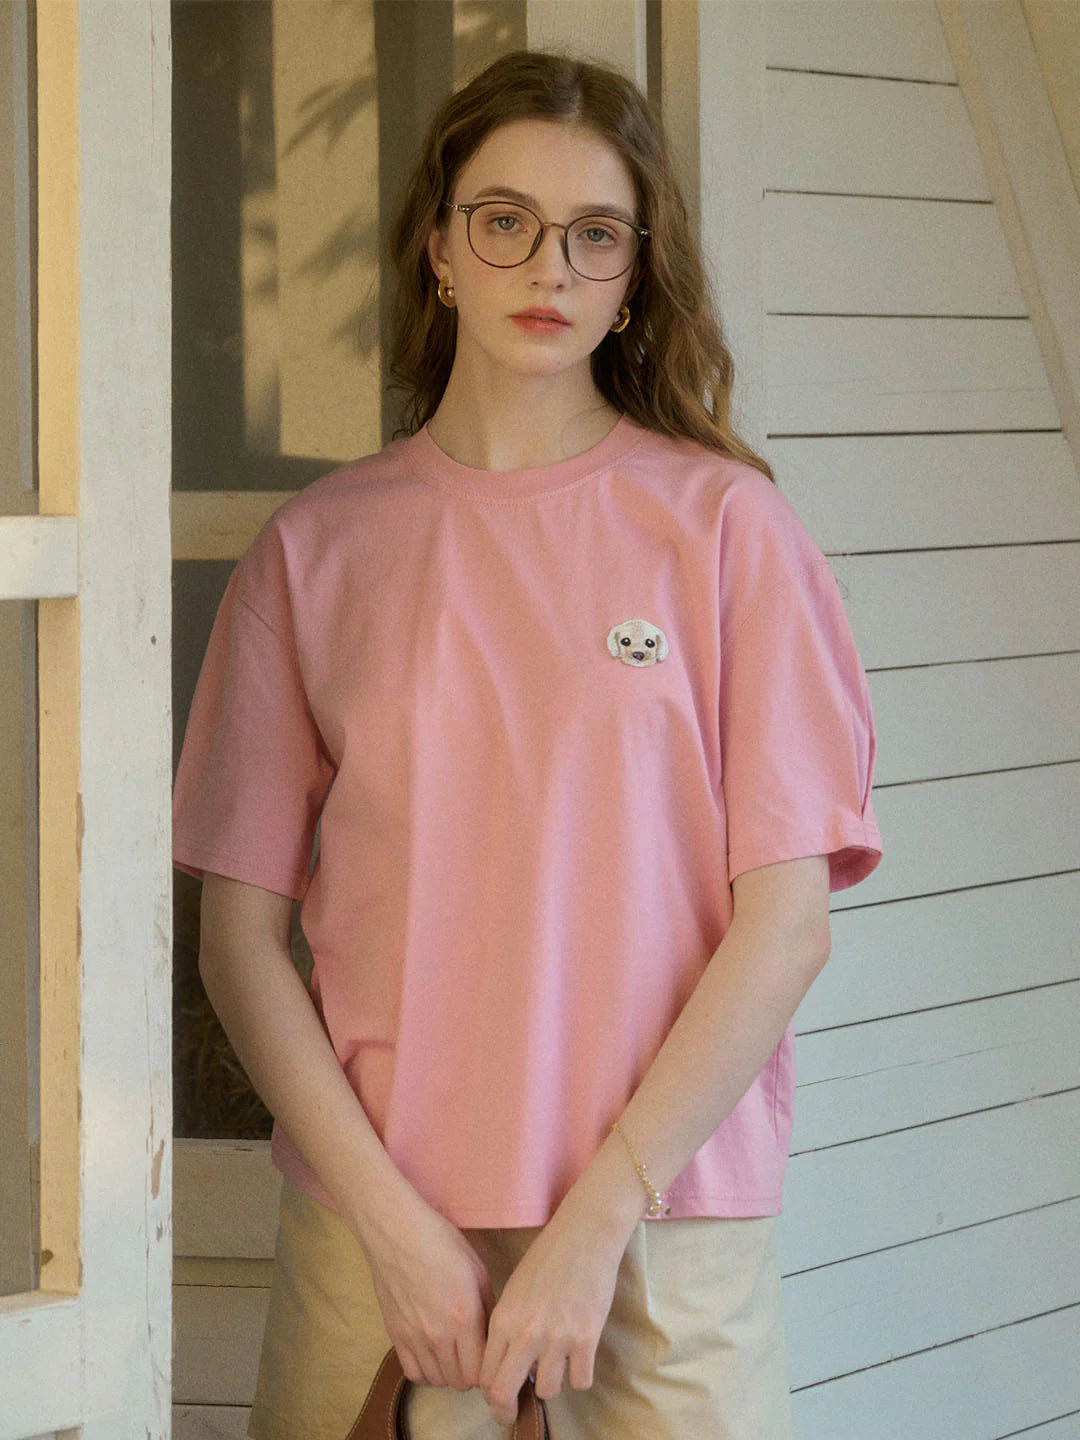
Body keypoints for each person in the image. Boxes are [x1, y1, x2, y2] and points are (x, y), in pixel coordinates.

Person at [172, 47, 883, 1440]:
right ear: (439, 248)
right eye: (504, 220)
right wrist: (393, 1228)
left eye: (595, 233)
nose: (548, 266)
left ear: (635, 274)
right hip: (382, 1240)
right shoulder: (315, 555)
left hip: (663, 1228)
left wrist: (601, 1212)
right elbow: (237, 943)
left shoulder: (729, 534)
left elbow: (786, 927)